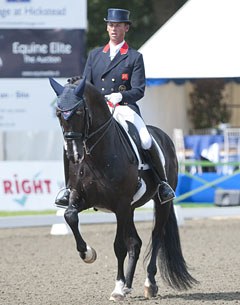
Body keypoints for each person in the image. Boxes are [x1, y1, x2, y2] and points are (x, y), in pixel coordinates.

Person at [55, 8, 175, 207]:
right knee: (69, 141)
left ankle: (162, 184)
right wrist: (76, 84)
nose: (114, 28)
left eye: (118, 25)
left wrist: (120, 95)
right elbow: (87, 84)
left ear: (126, 28)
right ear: (107, 27)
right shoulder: (95, 55)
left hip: (124, 107)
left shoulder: (134, 57)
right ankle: (69, 188)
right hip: (99, 110)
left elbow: (139, 90)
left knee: (145, 138)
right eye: (111, 25)